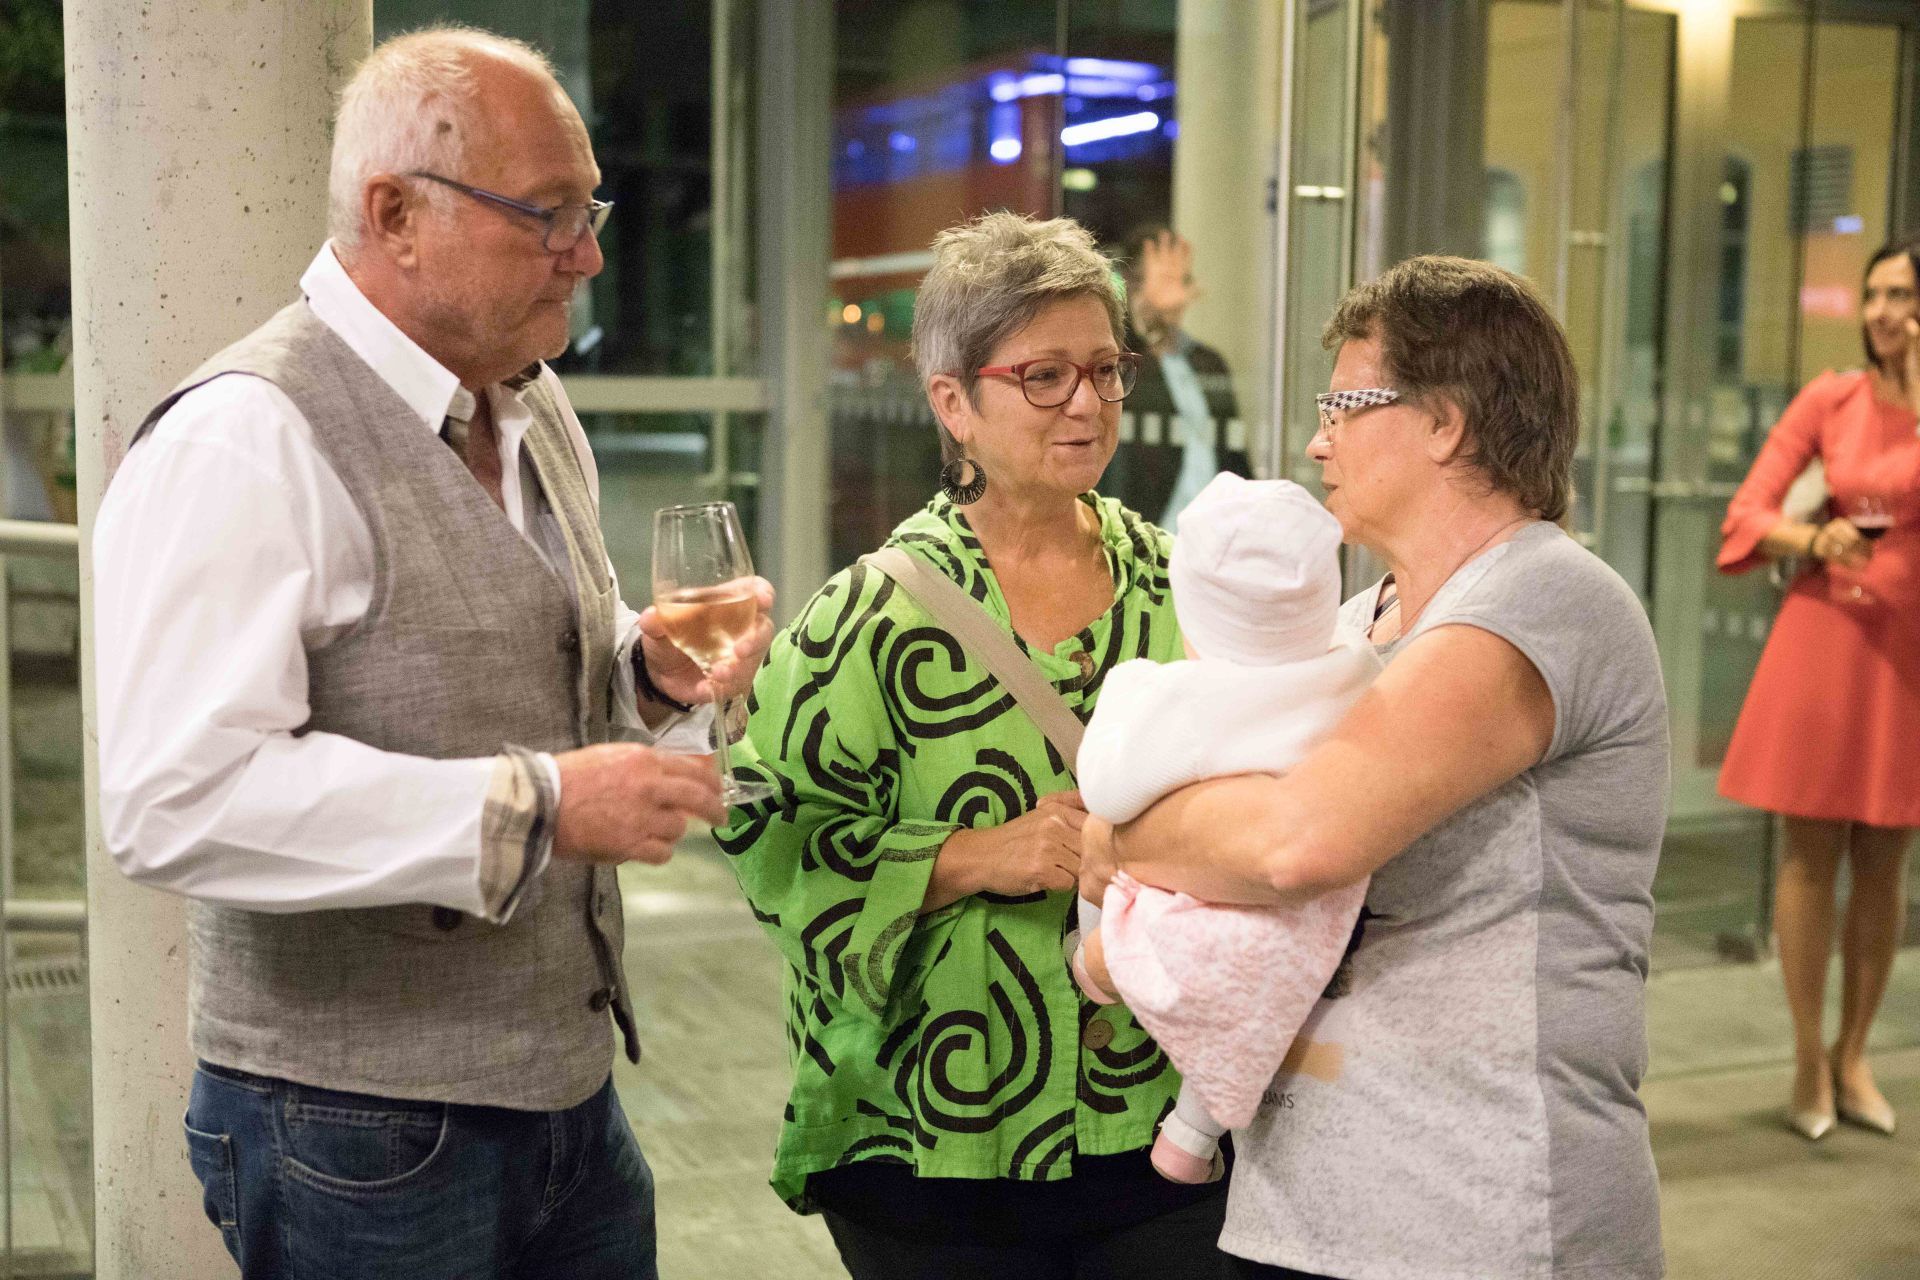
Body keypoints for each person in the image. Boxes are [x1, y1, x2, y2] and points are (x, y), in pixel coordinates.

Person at [91, 28, 774, 1279]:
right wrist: (546, 801)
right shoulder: (242, 436)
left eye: (593, 208)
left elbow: (501, 654)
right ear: (394, 212)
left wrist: (646, 671)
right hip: (348, 1128)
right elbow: (171, 799)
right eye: (549, 214)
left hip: (567, 1099)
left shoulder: (529, 394)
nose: (593, 253)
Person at [1080, 256, 1669, 1280]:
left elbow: (1295, 839)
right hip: (1303, 1203)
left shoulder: (1544, 599)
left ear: (1446, 421)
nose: (1318, 441)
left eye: (1345, 406)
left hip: (1484, 1215)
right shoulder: (1357, 628)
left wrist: (1117, 834)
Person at [714, 211, 1230, 1277]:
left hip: (1155, 1119)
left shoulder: (1182, 585)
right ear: (954, 401)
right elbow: (765, 830)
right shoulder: (874, 612)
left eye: (1105, 367)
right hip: (930, 1142)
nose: (1087, 401)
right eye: (1044, 376)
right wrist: (975, 855)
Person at [1069, 473, 1380, 1185]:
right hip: (1309, 930)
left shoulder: (1174, 696)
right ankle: (1190, 1134)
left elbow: (1106, 789)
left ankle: (1090, 963)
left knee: (1111, 857)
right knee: (1255, 1022)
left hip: (1197, 919)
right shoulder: (1357, 670)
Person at [1715, 236, 1920, 1142]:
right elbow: (1748, 512)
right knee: (1810, 855)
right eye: (1875, 293)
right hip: (1827, 637)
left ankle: (1855, 1053)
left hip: (1909, 647)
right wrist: (1814, 540)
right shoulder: (1828, 398)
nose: (1883, 311)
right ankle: (1806, 1056)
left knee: (1886, 862)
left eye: (1902, 295)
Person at [1102, 226, 1252, 530]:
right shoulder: (1123, 362)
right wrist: (1149, 318)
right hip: (1145, 532)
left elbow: (1234, 458)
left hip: (1214, 537)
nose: (1175, 292)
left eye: (1181, 280)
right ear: (1134, 290)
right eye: (1163, 281)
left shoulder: (1208, 363)